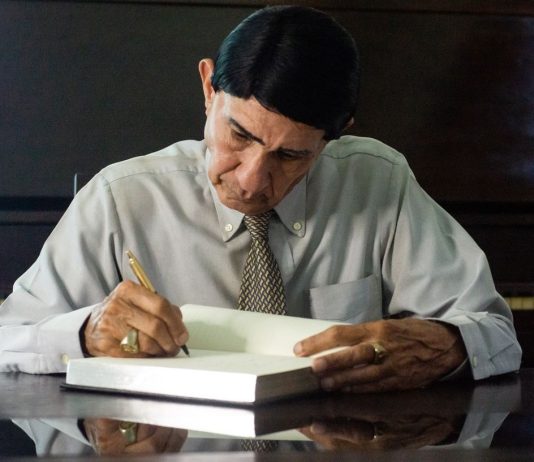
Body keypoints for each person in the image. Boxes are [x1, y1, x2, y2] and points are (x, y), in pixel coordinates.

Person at [0, 5, 521, 392]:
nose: (252, 181)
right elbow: (9, 339)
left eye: (291, 156)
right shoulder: (120, 199)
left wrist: (444, 345)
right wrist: (86, 333)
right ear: (209, 89)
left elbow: (495, 333)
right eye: (239, 136)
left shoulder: (379, 183)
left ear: (337, 135)